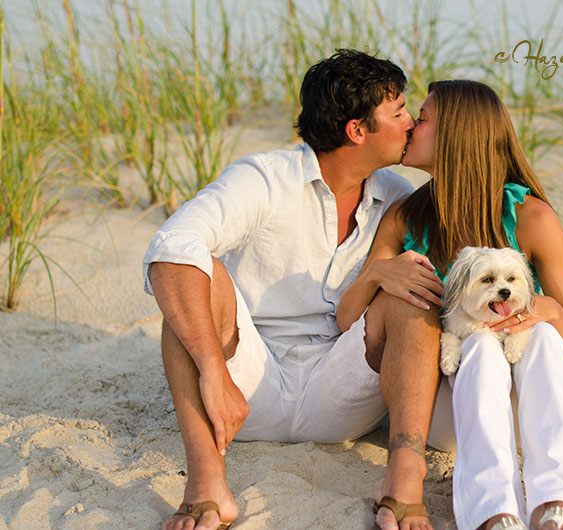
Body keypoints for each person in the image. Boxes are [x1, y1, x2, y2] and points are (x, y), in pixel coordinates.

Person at [143, 49, 444, 530]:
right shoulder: (263, 178)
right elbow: (172, 245)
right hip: (246, 387)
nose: (411, 122)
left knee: (410, 289)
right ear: (356, 130)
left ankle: (403, 480)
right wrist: (213, 372)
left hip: (342, 392)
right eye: (399, 111)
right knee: (191, 274)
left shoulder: (398, 198)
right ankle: (206, 481)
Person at [337, 80, 563, 530]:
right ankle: (493, 512)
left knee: (543, 333)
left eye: (422, 119)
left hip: (528, 406)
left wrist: (550, 311)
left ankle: (559, 506)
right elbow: (348, 322)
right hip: (450, 411)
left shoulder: (531, 218)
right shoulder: (406, 217)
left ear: (455, 138)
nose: (409, 126)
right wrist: (376, 274)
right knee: (482, 348)